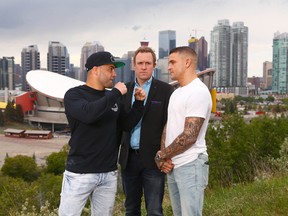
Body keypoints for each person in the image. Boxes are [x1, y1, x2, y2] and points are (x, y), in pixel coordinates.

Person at [58, 51, 146, 216]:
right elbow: (89, 114)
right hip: (79, 173)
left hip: (108, 174)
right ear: (95, 70)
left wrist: (139, 105)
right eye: (110, 69)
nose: (114, 74)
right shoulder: (74, 95)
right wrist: (116, 93)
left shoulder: (112, 97)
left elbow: (125, 124)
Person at [154, 46, 212, 216]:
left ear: (187, 62)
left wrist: (161, 155)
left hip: (191, 164)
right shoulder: (176, 93)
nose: (168, 67)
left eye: (172, 62)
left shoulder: (198, 91)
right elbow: (169, 126)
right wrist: (164, 157)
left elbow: (190, 136)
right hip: (174, 165)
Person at [119, 46, 174, 216]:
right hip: (129, 160)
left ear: (154, 65)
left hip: (154, 160)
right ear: (133, 65)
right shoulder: (124, 91)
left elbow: (170, 125)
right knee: (131, 209)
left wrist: (166, 155)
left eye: (148, 63)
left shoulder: (166, 91)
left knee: (155, 210)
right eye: (140, 63)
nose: (144, 67)